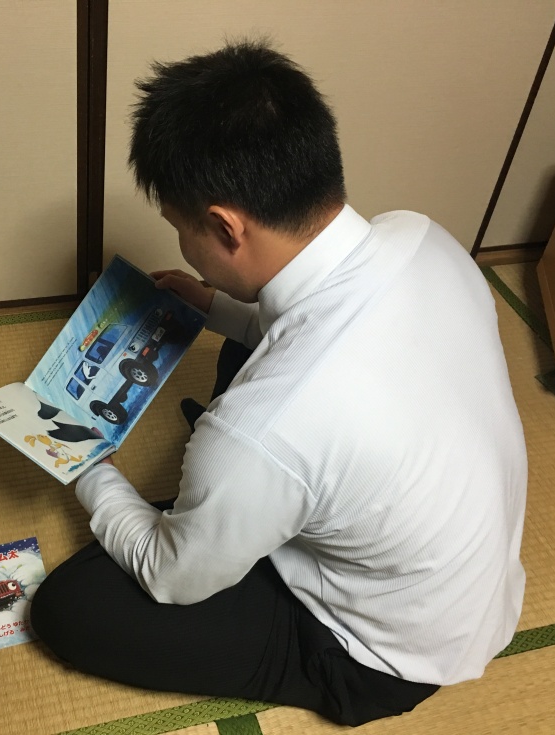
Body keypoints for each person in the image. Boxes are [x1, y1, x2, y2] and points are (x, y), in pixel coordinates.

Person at [30, 39, 527, 727]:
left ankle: (243, 520)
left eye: (180, 229)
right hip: (457, 577)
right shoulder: (421, 237)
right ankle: (245, 503)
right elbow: (316, 327)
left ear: (224, 226)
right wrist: (213, 306)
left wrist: (88, 464)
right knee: (246, 367)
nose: (182, 247)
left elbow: (172, 576)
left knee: (69, 606)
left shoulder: (261, 429)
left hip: (381, 654)